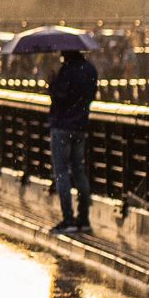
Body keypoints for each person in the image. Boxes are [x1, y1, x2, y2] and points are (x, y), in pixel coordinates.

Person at [47, 42, 100, 233]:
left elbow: (60, 97)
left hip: (62, 125)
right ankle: (83, 218)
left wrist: (51, 83)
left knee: (61, 173)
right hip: (80, 126)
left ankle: (68, 218)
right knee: (79, 170)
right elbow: (90, 95)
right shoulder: (90, 70)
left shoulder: (66, 71)